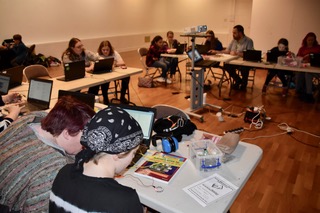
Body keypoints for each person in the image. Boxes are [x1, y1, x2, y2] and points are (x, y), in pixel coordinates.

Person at [0, 96, 95, 212]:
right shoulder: (54, 168)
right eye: (85, 136)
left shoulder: (30, 118)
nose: (87, 143)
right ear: (67, 133)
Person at [49, 105, 145, 212]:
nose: (133, 157)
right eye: (134, 152)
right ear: (119, 153)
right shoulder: (125, 200)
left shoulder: (63, 173)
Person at [87, 40, 130, 105]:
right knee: (105, 81)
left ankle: (122, 97)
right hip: (104, 74)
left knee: (126, 77)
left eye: (107, 50)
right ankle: (105, 98)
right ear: (100, 49)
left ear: (110, 49)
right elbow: (93, 64)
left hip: (113, 73)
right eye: (103, 50)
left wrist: (114, 64)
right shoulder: (98, 55)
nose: (105, 52)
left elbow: (122, 62)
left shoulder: (114, 53)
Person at [213, 25, 254, 90]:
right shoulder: (234, 40)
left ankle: (244, 84)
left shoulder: (249, 41)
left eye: (234, 33)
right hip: (234, 61)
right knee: (226, 65)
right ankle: (238, 80)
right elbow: (227, 50)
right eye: (233, 33)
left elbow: (250, 54)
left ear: (240, 33)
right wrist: (217, 51)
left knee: (244, 68)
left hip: (244, 62)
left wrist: (238, 53)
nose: (233, 34)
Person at [295, 32, 320, 103]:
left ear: (314, 40)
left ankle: (309, 94)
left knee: (308, 73)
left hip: (316, 69)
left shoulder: (318, 48)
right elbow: (298, 59)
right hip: (304, 66)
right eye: (309, 40)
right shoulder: (302, 49)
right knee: (299, 73)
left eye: (312, 40)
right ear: (306, 40)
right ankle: (298, 91)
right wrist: (303, 59)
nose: (310, 41)